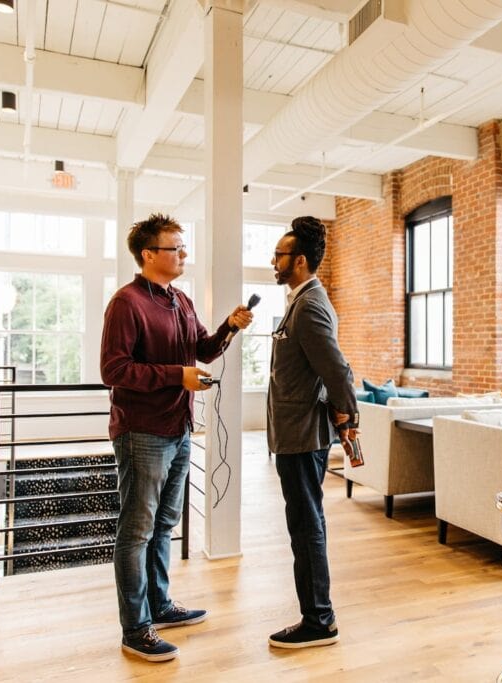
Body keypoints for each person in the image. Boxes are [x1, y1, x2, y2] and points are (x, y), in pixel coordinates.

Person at [100, 213, 253, 662]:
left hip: (180, 428)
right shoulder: (126, 303)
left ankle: (160, 606)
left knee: (165, 525)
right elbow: (114, 370)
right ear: (149, 254)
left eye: (184, 248)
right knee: (137, 530)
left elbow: (202, 349)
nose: (184, 255)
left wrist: (229, 327)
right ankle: (136, 627)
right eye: (176, 248)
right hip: (142, 431)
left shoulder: (180, 300)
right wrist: (176, 376)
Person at [267, 216, 359, 649]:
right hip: (294, 434)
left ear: (299, 261)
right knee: (304, 524)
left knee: (306, 527)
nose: (273, 261)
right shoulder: (299, 300)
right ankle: (317, 615)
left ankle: (318, 621)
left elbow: (336, 369)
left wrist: (349, 417)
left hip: (304, 437)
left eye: (279, 255)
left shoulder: (311, 305)